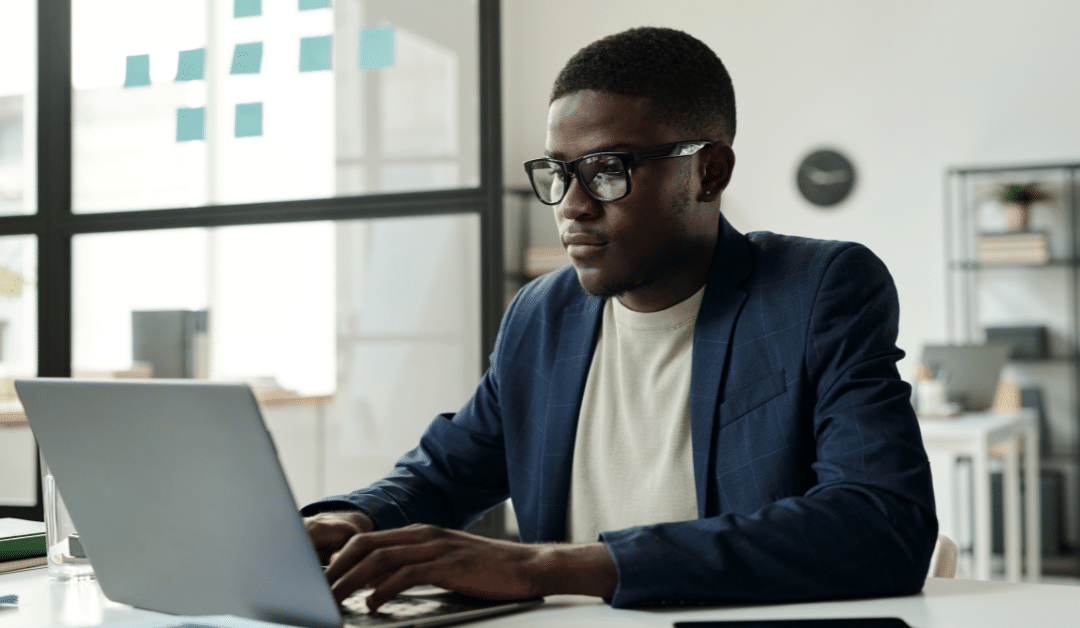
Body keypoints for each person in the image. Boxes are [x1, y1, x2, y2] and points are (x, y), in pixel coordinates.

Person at [301, 26, 937, 612]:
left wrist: (548, 567)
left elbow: (882, 523)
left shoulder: (814, 292)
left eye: (608, 170)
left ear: (709, 173)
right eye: (558, 172)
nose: (572, 207)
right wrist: (355, 518)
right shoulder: (539, 315)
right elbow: (445, 472)